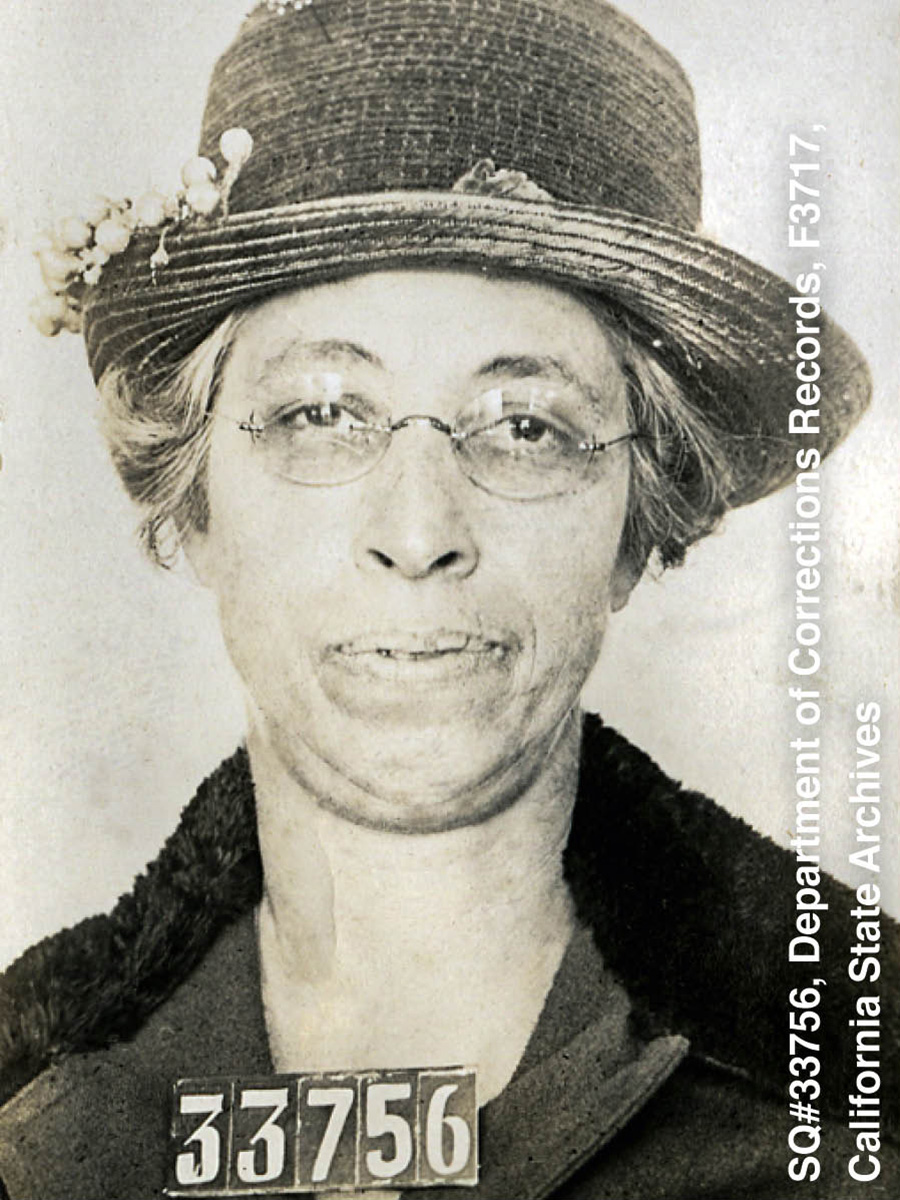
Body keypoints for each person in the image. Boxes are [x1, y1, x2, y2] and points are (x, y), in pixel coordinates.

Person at [0, 1, 896, 1197]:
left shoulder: (848, 1130)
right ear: (195, 499)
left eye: (526, 427)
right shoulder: (34, 1132)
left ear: (638, 526)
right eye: (322, 413)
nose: (419, 534)